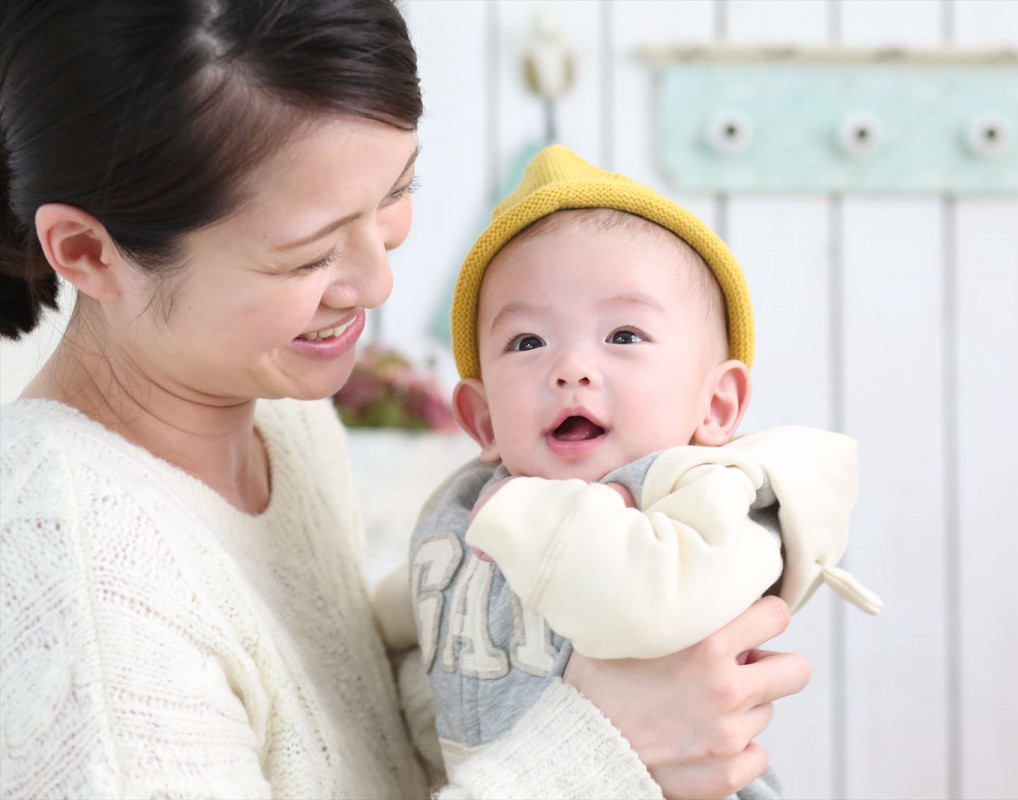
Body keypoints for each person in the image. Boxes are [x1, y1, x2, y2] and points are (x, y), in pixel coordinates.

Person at [0, 2, 812, 799]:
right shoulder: (77, 576)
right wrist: (601, 751)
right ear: (87, 251)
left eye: (394, 193)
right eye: (308, 254)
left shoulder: (282, 419)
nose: (377, 283)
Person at [378, 145, 881, 798]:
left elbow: (652, 605)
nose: (572, 368)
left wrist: (532, 516)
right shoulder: (468, 499)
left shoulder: (699, 497)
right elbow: (426, 588)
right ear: (482, 420)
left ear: (716, 403)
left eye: (623, 336)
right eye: (528, 342)